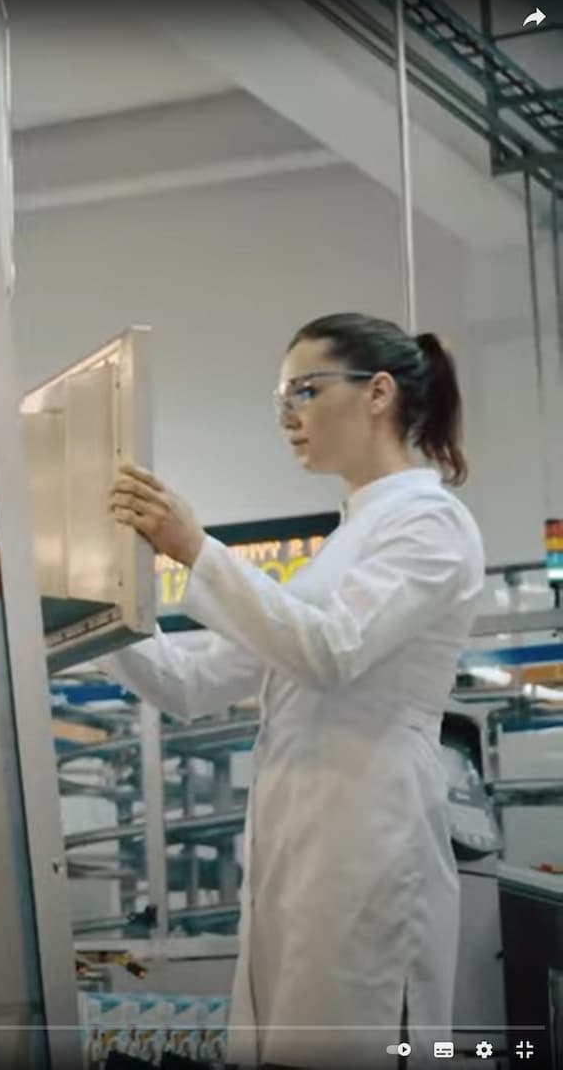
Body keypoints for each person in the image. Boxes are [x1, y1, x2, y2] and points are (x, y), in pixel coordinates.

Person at [104, 312, 486, 1070]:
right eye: (280, 399)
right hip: (301, 846)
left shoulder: (431, 525)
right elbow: (190, 683)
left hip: (372, 837)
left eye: (304, 391)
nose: (288, 416)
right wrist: (84, 605)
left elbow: (330, 650)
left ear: (378, 393)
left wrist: (194, 550)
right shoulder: (343, 545)